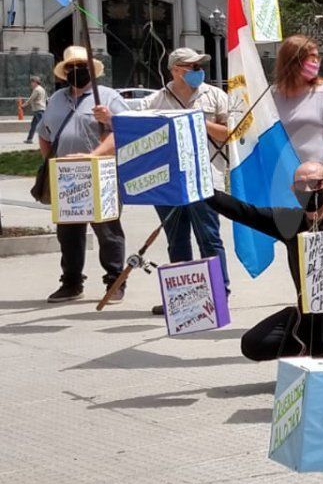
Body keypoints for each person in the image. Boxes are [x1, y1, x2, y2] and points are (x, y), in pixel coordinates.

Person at [205, 161, 323, 378]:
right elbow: (244, 212)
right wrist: (201, 191)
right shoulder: (290, 221)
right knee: (253, 344)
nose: (306, 190)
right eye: (300, 184)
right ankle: (318, 354)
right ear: (292, 189)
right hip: (311, 312)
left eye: (314, 183)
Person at [38, 46, 130, 304]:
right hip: (66, 176)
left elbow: (125, 132)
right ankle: (71, 282)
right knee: (68, 232)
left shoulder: (108, 97)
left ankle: (115, 281)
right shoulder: (56, 99)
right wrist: (50, 161)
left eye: (81, 67)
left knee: (108, 231)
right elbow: (44, 135)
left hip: (101, 174)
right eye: (70, 67)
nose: (76, 71)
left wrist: (109, 121)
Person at [144, 48, 232, 316]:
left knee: (209, 236)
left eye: (199, 66)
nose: (198, 71)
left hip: (205, 176)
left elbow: (230, 133)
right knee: (176, 238)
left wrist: (198, 122)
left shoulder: (215, 95)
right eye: (191, 66)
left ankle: (219, 292)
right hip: (168, 181)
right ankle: (181, 295)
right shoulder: (154, 101)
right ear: (175, 69)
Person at [272, 35, 323, 185]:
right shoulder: (272, 96)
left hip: (316, 184)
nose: (316, 62)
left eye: (317, 57)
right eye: (311, 58)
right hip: (280, 182)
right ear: (292, 61)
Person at [22, 76, 47, 144]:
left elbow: (31, 99)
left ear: (35, 82)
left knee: (42, 125)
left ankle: (49, 139)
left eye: (32, 82)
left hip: (38, 109)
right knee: (34, 124)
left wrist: (24, 105)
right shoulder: (42, 89)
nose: (31, 84)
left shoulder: (37, 89)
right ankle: (29, 139)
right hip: (40, 109)